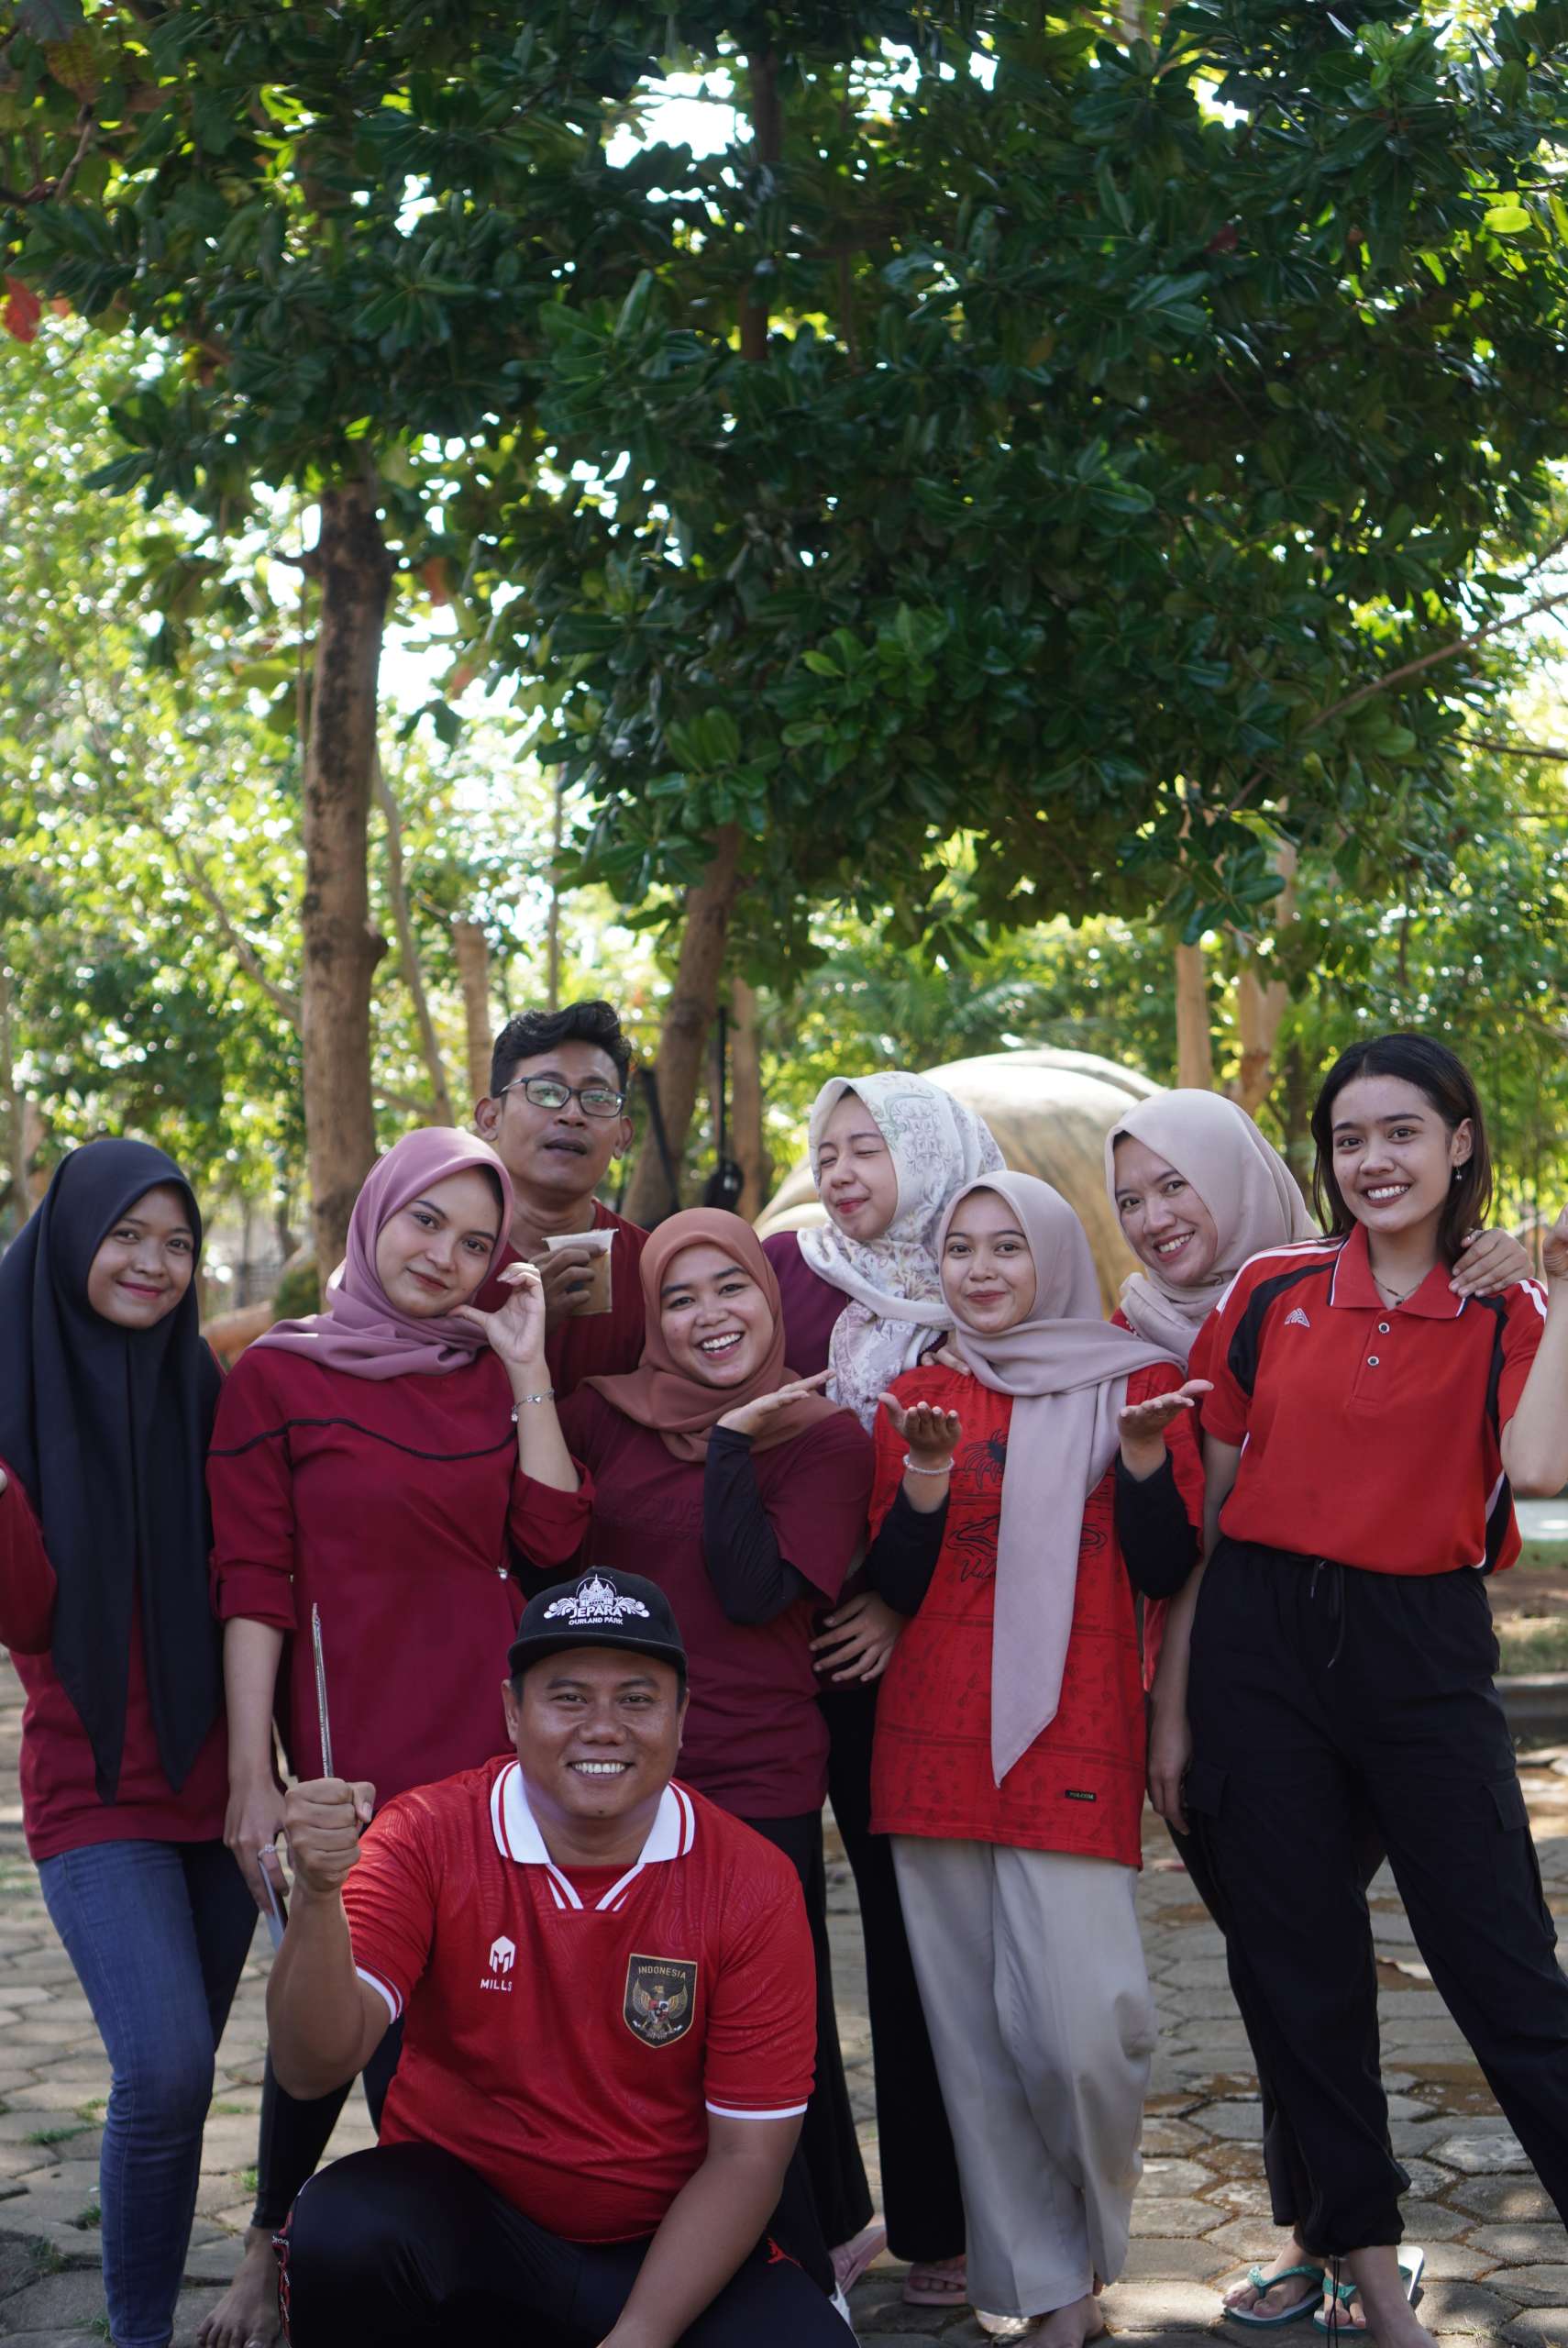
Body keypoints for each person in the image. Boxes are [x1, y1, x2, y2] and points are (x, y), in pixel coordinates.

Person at [1155, 1035, 1568, 2347]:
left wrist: (1560, 1284)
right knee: (1299, 1972)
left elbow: (1540, 1470)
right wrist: (1173, 1709)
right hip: (1259, 1647)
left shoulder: (1510, 1306)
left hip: (1421, 1648)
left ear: (1460, 1143)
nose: (1373, 1160)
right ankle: (1374, 2286)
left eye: (1402, 1132)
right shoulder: (1271, 1289)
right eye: (1348, 1138)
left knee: (1505, 1971)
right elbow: (1211, 1522)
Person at [200, 1129, 586, 2348]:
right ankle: (271, 2244)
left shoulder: (485, 1371)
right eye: (426, 1222)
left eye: (475, 1243)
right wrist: (253, 1775)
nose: (443, 1256)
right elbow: (253, 1581)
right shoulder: (277, 1374)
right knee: (331, 2018)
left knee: (470, 2033)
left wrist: (525, 1362)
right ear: (376, 1217)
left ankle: (464, 2266)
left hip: (487, 1755)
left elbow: (553, 1538)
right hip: (350, 1762)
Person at [266, 1570, 852, 2346]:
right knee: (342, 2232)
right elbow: (312, 2067)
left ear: (682, 1718)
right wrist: (316, 1895)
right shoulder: (424, 1835)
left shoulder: (752, 1880)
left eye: (637, 1699)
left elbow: (747, 2158)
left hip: (668, 2240)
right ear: (513, 1713)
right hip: (475, 2228)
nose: (603, 1728)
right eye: (568, 1697)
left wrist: (640, 2335)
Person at [512, 1209, 928, 2287]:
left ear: (769, 1297)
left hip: (756, 1767)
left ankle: (805, 2251)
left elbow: (752, 1591)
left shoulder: (822, 1437)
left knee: (766, 2020)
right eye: (680, 1297)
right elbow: (546, 1550)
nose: (710, 1315)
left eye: (731, 1287)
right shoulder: (604, 1416)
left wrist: (735, 1442)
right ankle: (685, 2234)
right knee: (636, 2017)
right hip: (620, 1771)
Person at [870, 1172, 1205, 2348]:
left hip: (1077, 1734)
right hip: (932, 1745)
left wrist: (1145, 1461)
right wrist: (921, 1478)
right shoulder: (919, 1390)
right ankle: (1055, 2289)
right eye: (960, 1248)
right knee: (975, 2047)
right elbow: (893, 1581)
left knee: (1085, 2032)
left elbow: (1166, 1567)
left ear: (1054, 1255)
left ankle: (1089, 2244)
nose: (981, 1269)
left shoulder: (1139, 1383)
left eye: (1008, 1246)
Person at [0, 1140, 256, 2348]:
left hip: (224, 1790)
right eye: (128, 1236)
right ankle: (138, 2333)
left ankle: (143, 2316)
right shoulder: (16, 1388)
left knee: (182, 2085)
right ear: (70, 1241)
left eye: (179, 1242)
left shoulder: (204, 1388)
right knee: (161, 2066)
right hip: (94, 1787)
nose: (156, 1263)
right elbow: (29, 1619)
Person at [761, 1070, 1002, 2308]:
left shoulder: (989, 1277)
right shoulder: (787, 1273)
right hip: (774, 1651)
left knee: (921, 1945)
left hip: (924, 1665)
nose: (842, 1171)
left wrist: (899, 1600)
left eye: (870, 1146)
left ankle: (943, 2219)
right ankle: (820, 2218)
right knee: (774, 1939)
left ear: (932, 1151)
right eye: (827, 1149)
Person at [473, 999, 647, 1392]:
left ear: (622, 1138)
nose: (572, 1114)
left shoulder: (654, 1269)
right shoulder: (438, 1256)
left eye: (598, 1099)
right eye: (547, 1091)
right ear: (490, 1118)